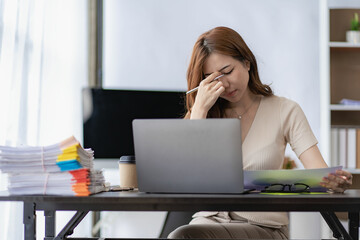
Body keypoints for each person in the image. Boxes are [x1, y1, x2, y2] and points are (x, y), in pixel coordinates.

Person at [168, 26, 353, 239]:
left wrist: (334, 182)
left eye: (227, 71)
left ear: (247, 62)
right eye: (212, 78)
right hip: (208, 222)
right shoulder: (202, 115)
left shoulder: (285, 110)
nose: (224, 84)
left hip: (264, 228)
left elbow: (319, 173)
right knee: (182, 235)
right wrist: (199, 110)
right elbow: (181, 179)